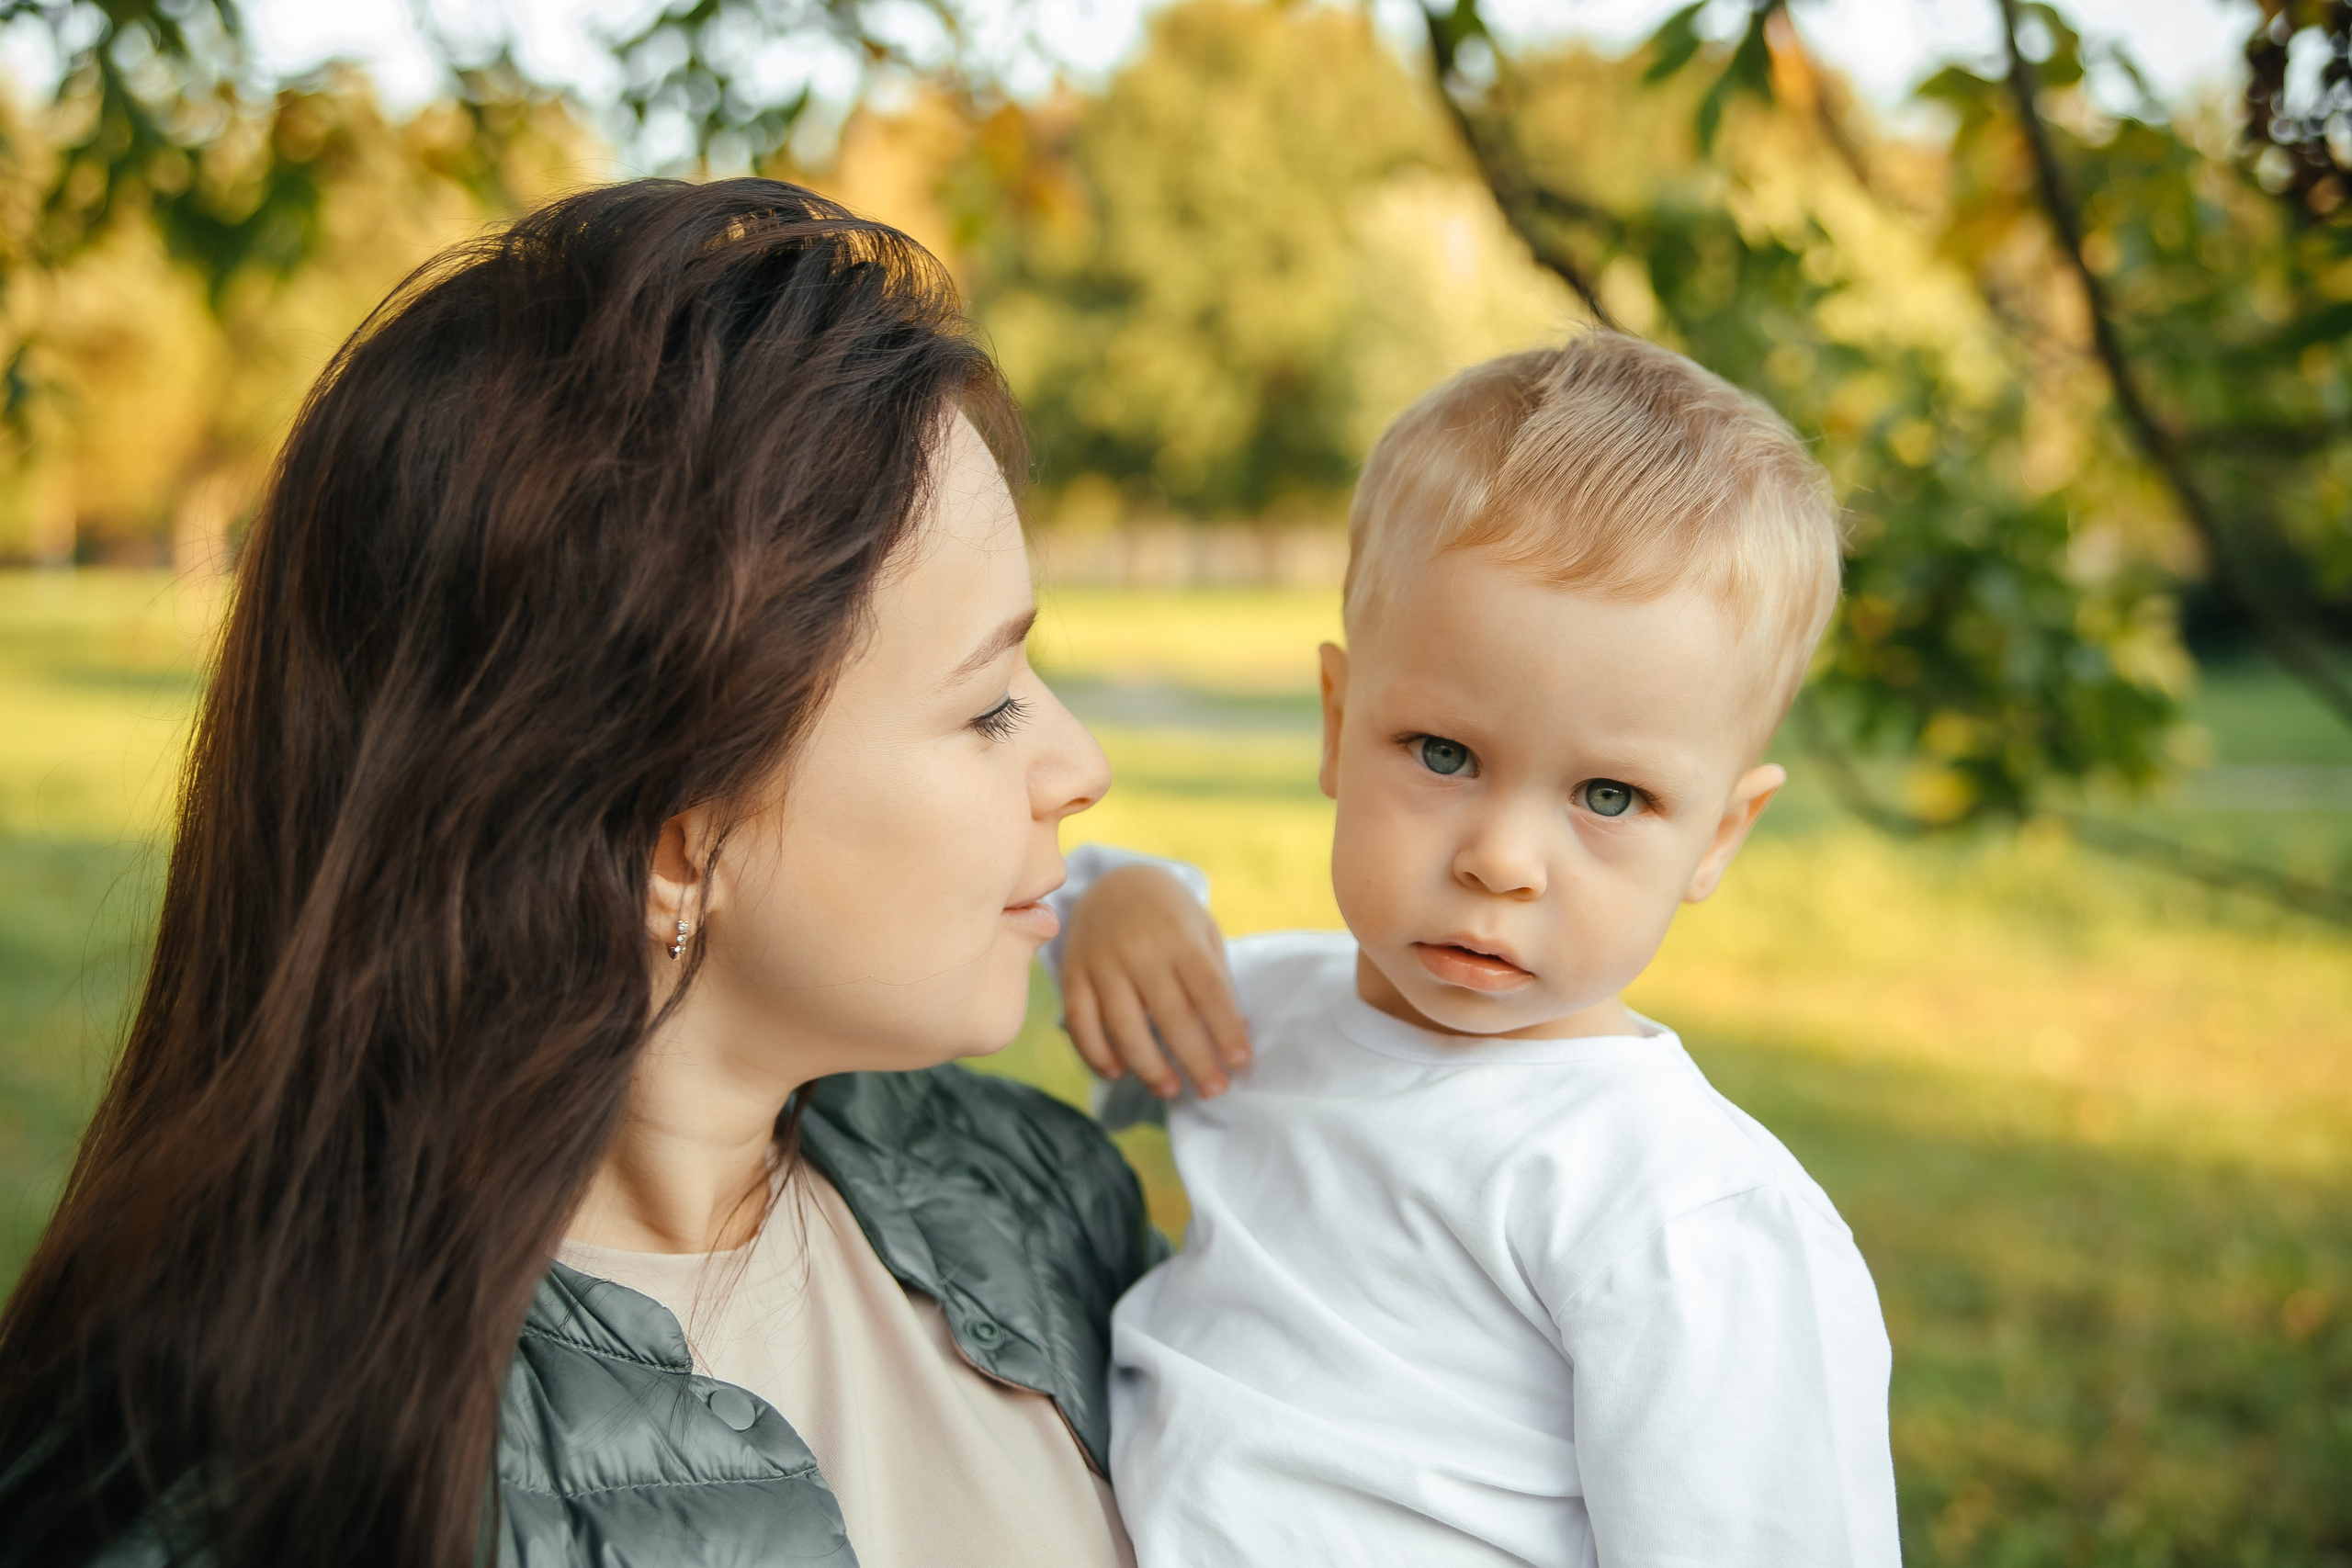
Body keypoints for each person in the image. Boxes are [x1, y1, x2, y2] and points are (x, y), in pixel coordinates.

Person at [0, 180, 1156, 1568]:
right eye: (987, 708)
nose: (1080, 762)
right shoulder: (261, 1487)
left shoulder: (1041, 1203)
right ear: (678, 840)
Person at [1050, 334, 1902, 1565]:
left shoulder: (1676, 1210)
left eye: (1609, 798)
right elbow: (1056, 935)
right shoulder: (1259, 1014)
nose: (1503, 859)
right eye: (1443, 755)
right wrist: (1123, 891)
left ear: (1719, 836)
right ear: (1342, 727)